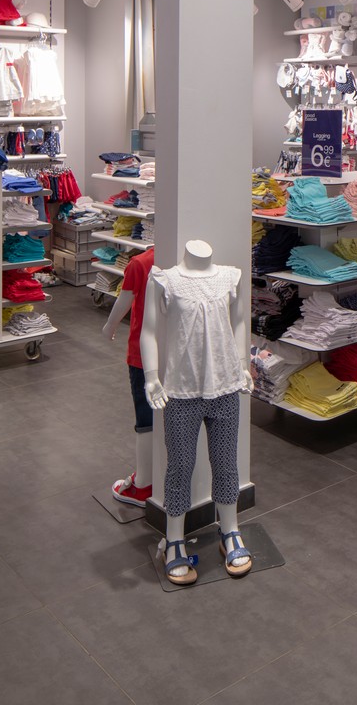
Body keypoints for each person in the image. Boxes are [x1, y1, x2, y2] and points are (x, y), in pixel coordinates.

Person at [140, 239, 253, 586]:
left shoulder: (231, 277)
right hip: (181, 390)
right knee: (179, 466)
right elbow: (149, 330)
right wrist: (151, 377)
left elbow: (239, 323)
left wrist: (243, 365)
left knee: (226, 462)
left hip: (225, 387)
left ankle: (230, 530)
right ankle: (174, 538)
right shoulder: (165, 280)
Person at [102, 246, 155, 507]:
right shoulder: (181, 259)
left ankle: (143, 485)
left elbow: (125, 299)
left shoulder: (140, 263)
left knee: (146, 420)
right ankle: (163, 476)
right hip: (178, 356)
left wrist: (109, 326)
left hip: (143, 355)